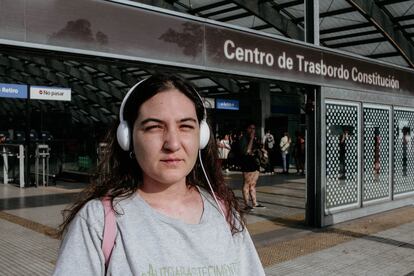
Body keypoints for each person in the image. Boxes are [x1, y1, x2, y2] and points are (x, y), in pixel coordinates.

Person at [53, 75, 265, 275]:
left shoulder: (224, 212)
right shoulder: (99, 221)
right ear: (127, 138)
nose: (172, 144)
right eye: (154, 127)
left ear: (201, 136)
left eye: (185, 126)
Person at [239, 123, 265, 211]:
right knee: (247, 184)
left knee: (253, 184)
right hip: (247, 163)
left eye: (254, 128)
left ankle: (255, 203)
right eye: (251, 128)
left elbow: (258, 149)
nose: (253, 130)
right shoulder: (243, 139)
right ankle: (246, 204)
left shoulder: (255, 138)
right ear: (247, 129)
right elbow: (246, 151)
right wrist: (251, 139)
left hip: (255, 163)